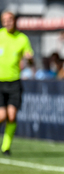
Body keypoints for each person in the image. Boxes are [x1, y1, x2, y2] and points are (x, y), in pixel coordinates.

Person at [0, 11, 34, 155]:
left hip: (14, 81)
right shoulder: (0, 35)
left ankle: (5, 146)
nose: (8, 22)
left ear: (15, 21)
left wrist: (29, 58)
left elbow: (30, 59)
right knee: (2, 116)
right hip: (0, 81)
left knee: (12, 116)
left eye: (10, 20)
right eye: (5, 20)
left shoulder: (22, 38)